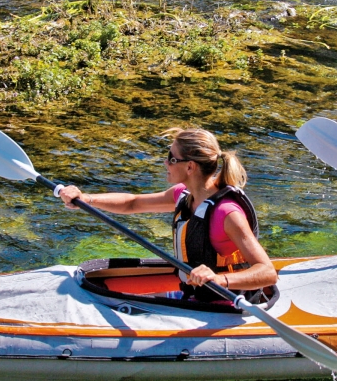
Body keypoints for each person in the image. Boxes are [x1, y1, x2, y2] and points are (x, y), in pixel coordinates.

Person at [55, 127, 277, 302]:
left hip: (223, 304)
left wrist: (219, 279)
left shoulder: (226, 213)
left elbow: (267, 272)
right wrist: (88, 199)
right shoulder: (183, 194)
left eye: (171, 158)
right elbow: (132, 203)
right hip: (192, 295)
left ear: (190, 167)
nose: (165, 162)